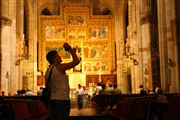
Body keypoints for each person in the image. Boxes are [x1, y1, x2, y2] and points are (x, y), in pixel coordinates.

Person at [45, 42, 80, 120]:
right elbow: (76, 61)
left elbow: (49, 87)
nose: (60, 56)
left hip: (53, 99)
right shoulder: (59, 67)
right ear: (54, 59)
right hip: (62, 100)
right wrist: (69, 49)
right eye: (57, 56)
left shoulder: (48, 71)